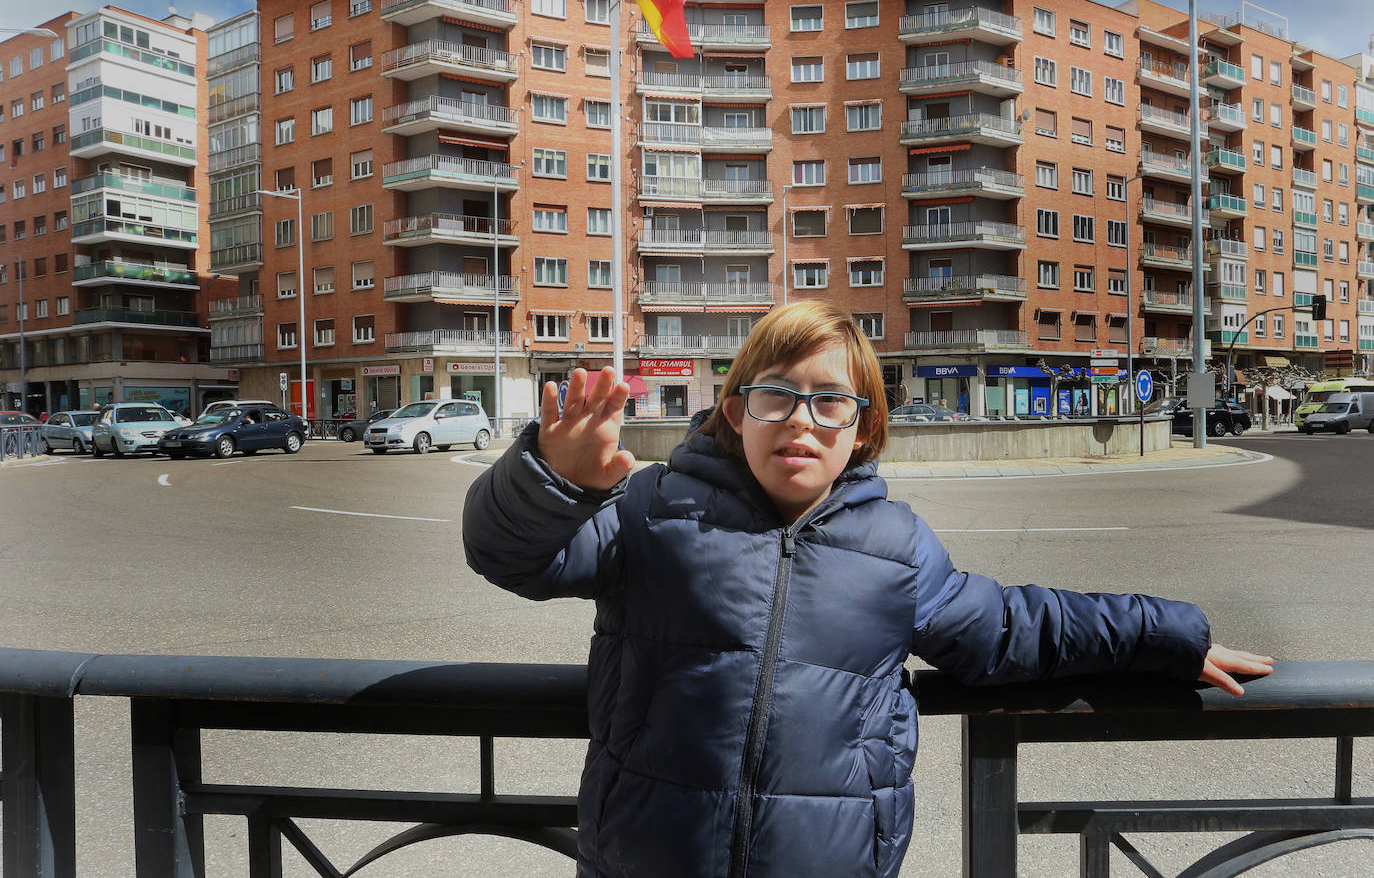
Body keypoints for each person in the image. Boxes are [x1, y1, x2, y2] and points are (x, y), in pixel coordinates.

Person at [462, 301, 1272, 878]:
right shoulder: (650, 507)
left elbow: (1015, 627)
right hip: (641, 859)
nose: (801, 421)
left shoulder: (895, 545)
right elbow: (511, 556)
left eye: (831, 401)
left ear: (863, 428)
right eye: (777, 394)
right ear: (735, 410)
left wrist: (1167, 636)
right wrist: (550, 480)